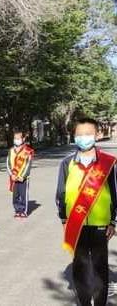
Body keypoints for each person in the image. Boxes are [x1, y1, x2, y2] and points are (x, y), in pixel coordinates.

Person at [56, 118, 117, 306]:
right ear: (74, 136)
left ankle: (99, 303)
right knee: (80, 267)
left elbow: (115, 193)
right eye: (79, 134)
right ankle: (84, 302)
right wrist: (64, 220)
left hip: (100, 225)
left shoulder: (108, 164)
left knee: (100, 268)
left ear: (97, 135)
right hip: (77, 224)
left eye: (88, 134)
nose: (84, 138)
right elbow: (61, 193)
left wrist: (113, 222)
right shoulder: (67, 163)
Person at [6, 130, 34, 218]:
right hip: (13, 177)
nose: (16, 140)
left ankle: (23, 210)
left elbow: (28, 165)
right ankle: (17, 210)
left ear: (23, 139)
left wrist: (22, 176)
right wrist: (11, 174)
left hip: (23, 178)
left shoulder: (27, 151)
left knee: (23, 194)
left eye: (18, 138)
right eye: (15, 138)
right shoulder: (11, 151)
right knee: (15, 195)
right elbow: (8, 163)